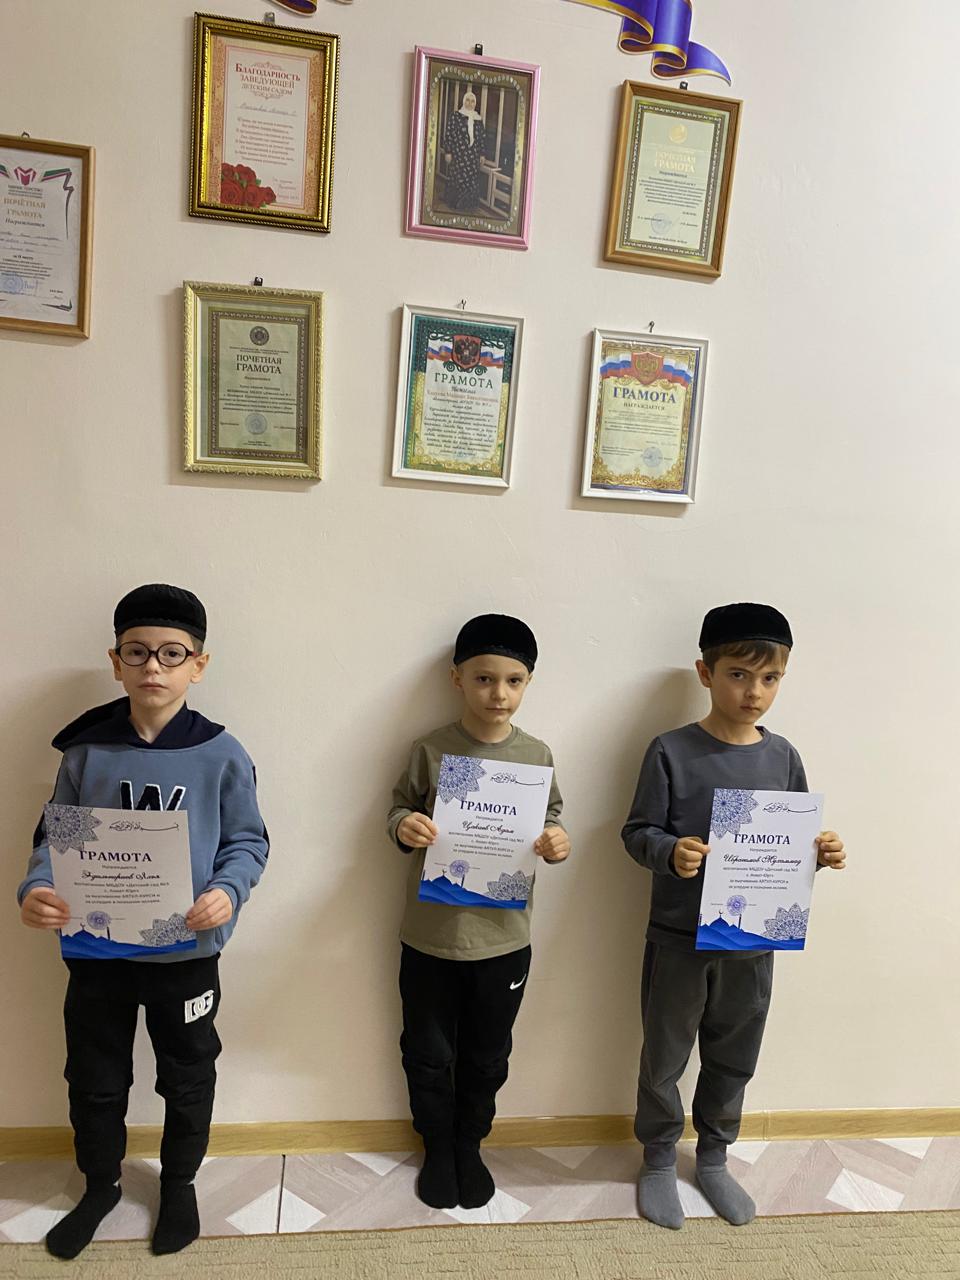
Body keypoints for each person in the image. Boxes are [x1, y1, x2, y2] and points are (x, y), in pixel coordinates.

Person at [18, 584, 268, 1258]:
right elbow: (53, 841)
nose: (153, 666)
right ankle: (100, 1185)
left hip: (185, 956)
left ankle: (179, 1183)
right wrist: (37, 889)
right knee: (94, 1079)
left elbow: (248, 841)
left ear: (198, 664)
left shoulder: (221, 753)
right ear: (116, 661)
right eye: (137, 652)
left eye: (171, 653)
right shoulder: (86, 752)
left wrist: (228, 890)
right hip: (97, 954)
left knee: (187, 1075)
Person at [621, 602, 846, 1230]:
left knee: (735, 1053)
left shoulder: (784, 757)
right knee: (665, 1055)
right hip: (679, 938)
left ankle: (714, 1156)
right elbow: (636, 832)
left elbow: (792, 840)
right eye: (739, 675)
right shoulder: (670, 750)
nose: (754, 692)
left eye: (770, 679)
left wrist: (820, 852)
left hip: (755, 943)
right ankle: (658, 1157)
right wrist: (672, 851)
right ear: (706, 672)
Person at [387, 614, 570, 1210]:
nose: (499, 694)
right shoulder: (431, 749)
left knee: (489, 1055)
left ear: (528, 683)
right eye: (484, 679)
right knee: (427, 1052)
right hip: (430, 936)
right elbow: (398, 807)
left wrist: (555, 840)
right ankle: (437, 1145)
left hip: (504, 939)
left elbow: (551, 818)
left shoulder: (536, 754)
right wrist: (405, 826)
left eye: (513, 681)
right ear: (458, 679)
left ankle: (470, 1143)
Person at [443, 88, 486, 212]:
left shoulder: (478, 119)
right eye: (467, 100)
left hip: (473, 156)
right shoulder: (456, 116)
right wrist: (448, 152)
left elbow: (482, 138)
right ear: (463, 101)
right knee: (458, 178)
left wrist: (482, 154)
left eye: (472, 101)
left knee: (471, 180)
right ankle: (455, 203)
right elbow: (449, 134)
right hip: (459, 154)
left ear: (475, 103)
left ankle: (468, 205)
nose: (470, 103)